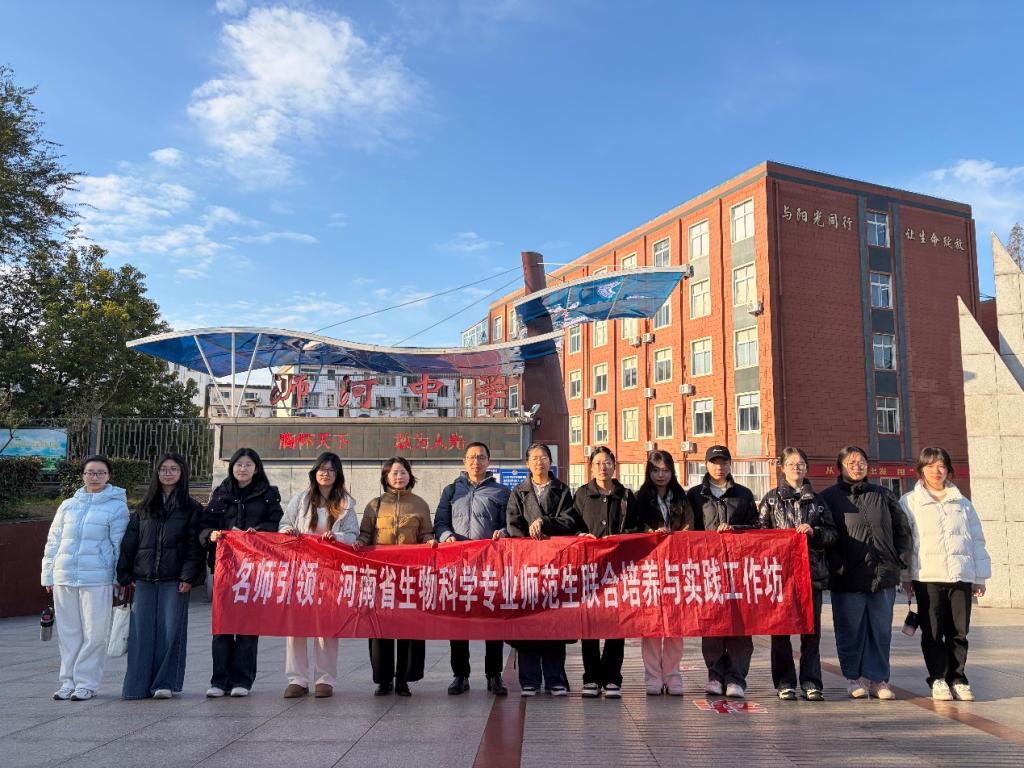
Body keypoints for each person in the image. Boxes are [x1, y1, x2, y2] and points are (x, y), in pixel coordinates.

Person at [900, 446, 991, 702]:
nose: (936, 471)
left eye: (941, 466)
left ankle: (958, 678)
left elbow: (977, 541)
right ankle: (938, 678)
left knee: (959, 631)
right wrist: (905, 576)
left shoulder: (963, 503)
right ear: (921, 470)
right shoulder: (909, 502)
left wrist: (979, 577)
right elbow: (905, 542)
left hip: (961, 576)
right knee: (932, 631)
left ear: (948, 470)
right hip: (927, 577)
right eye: (930, 466)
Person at [821, 445, 909, 701]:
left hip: (883, 574)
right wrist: (837, 564)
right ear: (840, 467)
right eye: (851, 462)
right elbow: (825, 536)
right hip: (847, 576)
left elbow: (902, 529)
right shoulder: (828, 498)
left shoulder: (883, 494)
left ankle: (878, 679)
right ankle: (855, 677)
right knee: (850, 629)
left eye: (861, 462)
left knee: (880, 630)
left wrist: (899, 560)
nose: (857, 466)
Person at [41, 455, 130, 701]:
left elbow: (119, 545)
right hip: (64, 576)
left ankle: (87, 683)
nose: (95, 477)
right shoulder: (68, 505)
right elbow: (53, 541)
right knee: (68, 633)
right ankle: (67, 682)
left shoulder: (116, 507)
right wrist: (48, 574)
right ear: (83, 475)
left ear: (109, 476)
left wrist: (118, 578)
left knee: (95, 633)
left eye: (100, 473)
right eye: (90, 472)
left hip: (97, 578)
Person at [117, 453, 205, 700]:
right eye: (163, 469)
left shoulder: (191, 508)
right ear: (157, 473)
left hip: (174, 580)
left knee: (170, 631)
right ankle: (136, 687)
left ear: (182, 473)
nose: (168, 473)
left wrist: (188, 577)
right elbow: (130, 541)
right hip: (144, 578)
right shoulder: (144, 507)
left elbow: (194, 546)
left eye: (173, 469)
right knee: (140, 633)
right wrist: (125, 573)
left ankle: (165, 683)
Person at [199, 447, 283, 698]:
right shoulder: (221, 493)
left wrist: (258, 532)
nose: (243, 469)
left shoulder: (268, 494)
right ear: (232, 467)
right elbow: (204, 526)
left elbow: (276, 525)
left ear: (256, 469)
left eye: (248, 465)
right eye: (239, 464)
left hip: (253, 569)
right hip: (225, 567)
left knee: (247, 627)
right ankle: (219, 681)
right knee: (222, 626)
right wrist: (211, 535)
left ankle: (242, 681)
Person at [757, 447, 837, 701]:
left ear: (806, 468)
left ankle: (812, 682)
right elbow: (759, 535)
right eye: (791, 464)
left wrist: (814, 532)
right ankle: (785, 682)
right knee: (780, 630)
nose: (796, 467)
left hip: (811, 575)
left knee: (811, 631)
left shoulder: (818, 502)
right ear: (782, 468)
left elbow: (832, 534)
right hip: (780, 576)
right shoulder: (771, 500)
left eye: (801, 463)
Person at [434, 441, 511, 696]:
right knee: (458, 621)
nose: (476, 462)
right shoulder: (451, 491)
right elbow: (440, 522)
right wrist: (446, 536)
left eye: (480, 457)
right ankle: (460, 675)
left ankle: (494, 675)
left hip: (490, 564)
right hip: (458, 565)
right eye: (471, 457)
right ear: (464, 461)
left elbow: (510, 523)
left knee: (493, 620)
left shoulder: (501, 491)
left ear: (489, 461)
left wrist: (504, 531)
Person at [279, 452, 359, 699]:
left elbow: (353, 535)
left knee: (326, 626)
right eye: (322, 469)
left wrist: (337, 538)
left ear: (338, 474)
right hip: (302, 570)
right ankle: (297, 679)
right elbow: (283, 524)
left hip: (330, 571)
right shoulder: (301, 500)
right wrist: (288, 530)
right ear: (314, 472)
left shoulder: (346, 503)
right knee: (296, 626)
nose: (326, 473)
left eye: (331, 469)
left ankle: (325, 678)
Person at [354, 456, 434, 696]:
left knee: (409, 627)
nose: (399, 477)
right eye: (394, 473)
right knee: (381, 628)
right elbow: (365, 534)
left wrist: (430, 541)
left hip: (410, 575)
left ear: (410, 475)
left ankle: (404, 680)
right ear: (386, 477)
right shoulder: (374, 505)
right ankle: (384, 680)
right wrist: (359, 543)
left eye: (403, 472)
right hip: (382, 576)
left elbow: (426, 533)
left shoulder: (419, 504)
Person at [686, 445, 758, 699]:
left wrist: (735, 530)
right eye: (714, 462)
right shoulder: (695, 495)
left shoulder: (743, 494)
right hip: (709, 569)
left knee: (740, 624)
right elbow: (689, 532)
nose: (719, 467)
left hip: (739, 568)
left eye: (724, 462)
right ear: (706, 465)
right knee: (713, 625)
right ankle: (715, 676)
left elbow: (757, 528)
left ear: (730, 465)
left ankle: (736, 678)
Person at [506, 441, 576, 697]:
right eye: (534, 458)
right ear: (527, 463)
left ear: (550, 461)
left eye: (543, 457)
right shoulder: (518, 492)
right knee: (528, 624)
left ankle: (555, 679)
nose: (539, 462)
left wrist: (544, 522)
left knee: (555, 624)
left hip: (555, 567)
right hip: (528, 567)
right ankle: (529, 679)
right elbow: (512, 525)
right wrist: (529, 544)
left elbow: (569, 521)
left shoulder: (562, 490)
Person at [570, 446, 641, 699]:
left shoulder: (626, 495)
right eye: (598, 463)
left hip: (618, 568)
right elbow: (572, 524)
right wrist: (580, 535)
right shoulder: (581, 494)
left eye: (607, 462)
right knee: (589, 623)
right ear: (591, 467)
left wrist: (622, 538)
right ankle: (591, 677)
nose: (603, 467)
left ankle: (612, 678)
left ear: (614, 466)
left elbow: (636, 527)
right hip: (589, 567)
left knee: (616, 624)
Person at [635, 450, 699, 695]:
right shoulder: (640, 497)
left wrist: (678, 535)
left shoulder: (682, 497)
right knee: (651, 624)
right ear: (648, 472)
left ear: (672, 472)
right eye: (656, 470)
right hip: (650, 568)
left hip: (676, 567)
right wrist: (651, 533)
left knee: (675, 624)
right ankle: (653, 676)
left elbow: (690, 525)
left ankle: (672, 675)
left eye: (665, 470)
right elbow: (635, 526)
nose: (660, 475)